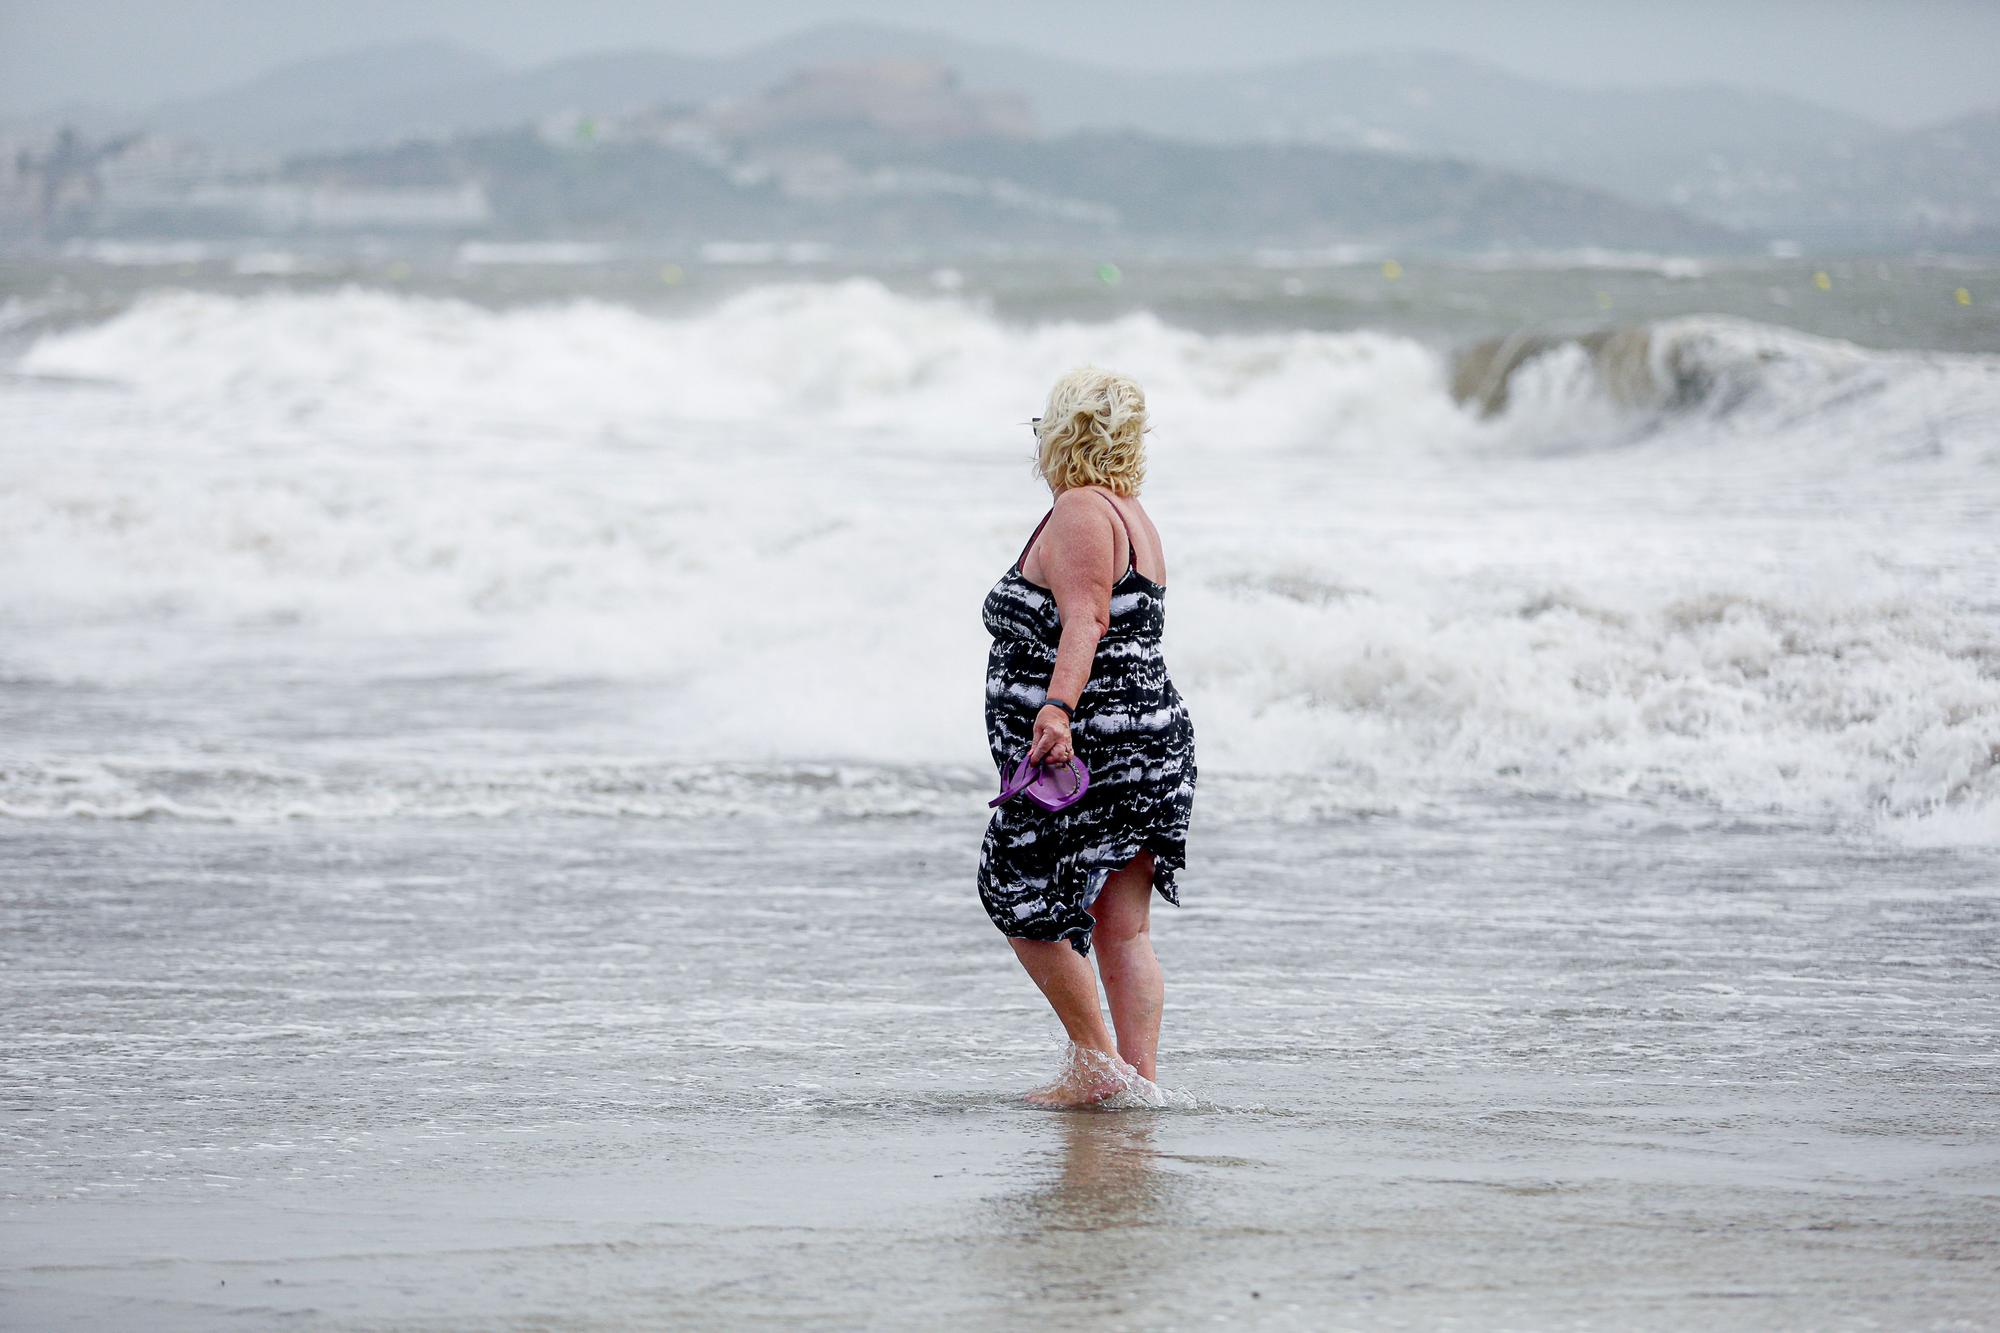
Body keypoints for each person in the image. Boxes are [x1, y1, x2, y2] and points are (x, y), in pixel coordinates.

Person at [977, 365, 1198, 1107]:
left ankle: (1098, 1068)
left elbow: (1088, 619)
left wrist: (1056, 710)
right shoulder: (1132, 513)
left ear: (1062, 435)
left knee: (1014, 885)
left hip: (1092, 742)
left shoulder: (1080, 509)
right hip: (1149, 740)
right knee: (1122, 928)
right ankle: (1137, 1084)